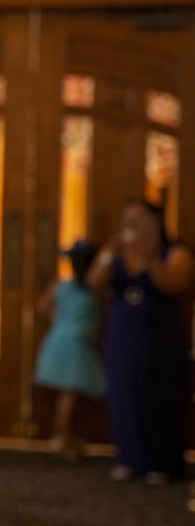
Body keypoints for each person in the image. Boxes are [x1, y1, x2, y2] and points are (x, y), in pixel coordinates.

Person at [88, 199, 193, 484]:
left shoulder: (175, 253)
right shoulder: (117, 252)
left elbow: (174, 284)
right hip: (123, 336)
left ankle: (162, 461)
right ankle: (129, 457)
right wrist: (109, 255)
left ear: (155, 222)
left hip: (160, 338)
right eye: (128, 220)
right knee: (124, 394)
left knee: (161, 395)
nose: (132, 226)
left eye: (139, 220)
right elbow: (94, 283)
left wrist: (149, 256)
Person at [33, 240, 105, 460]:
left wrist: (57, 318)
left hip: (61, 340)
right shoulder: (94, 290)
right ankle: (62, 437)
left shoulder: (62, 286)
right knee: (70, 394)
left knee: (71, 394)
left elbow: (42, 306)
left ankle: (68, 437)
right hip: (76, 344)